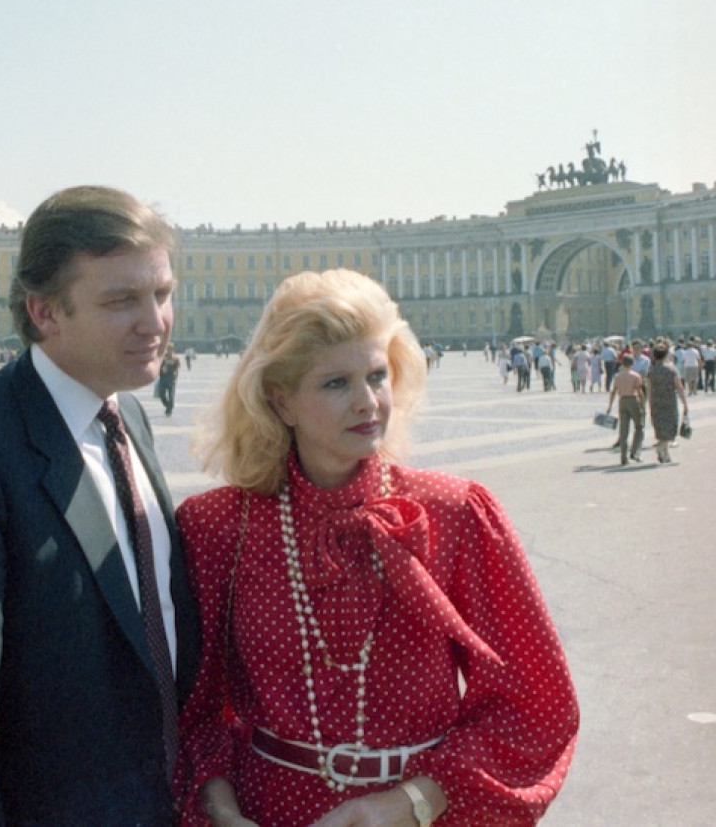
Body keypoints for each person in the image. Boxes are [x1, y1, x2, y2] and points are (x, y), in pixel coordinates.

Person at [175, 269, 578, 827]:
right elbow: (192, 712)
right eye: (335, 383)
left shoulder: (455, 513)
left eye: (376, 375)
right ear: (280, 400)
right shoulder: (217, 526)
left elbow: (534, 702)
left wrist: (409, 803)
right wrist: (222, 812)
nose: (368, 402)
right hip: (270, 815)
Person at [0, 185, 201, 826]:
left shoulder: (128, 416)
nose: (155, 321)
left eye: (161, 294)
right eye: (121, 301)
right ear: (46, 312)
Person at [646, 342, 688, 466]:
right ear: (665, 355)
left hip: (656, 401)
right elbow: (679, 387)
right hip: (669, 402)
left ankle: (665, 453)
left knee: (659, 426)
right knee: (670, 426)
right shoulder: (671, 369)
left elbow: (648, 388)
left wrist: (649, 403)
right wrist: (685, 403)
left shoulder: (651, 371)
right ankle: (662, 450)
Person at [604, 353, 647, 465]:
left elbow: (613, 391)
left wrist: (609, 405)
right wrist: (643, 406)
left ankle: (623, 457)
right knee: (639, 427)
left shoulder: (618, 376)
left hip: (622, 400)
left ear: (622, 363)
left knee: (624, 430)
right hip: (633, 399)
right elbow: (640, 392)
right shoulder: (635, 375)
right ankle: (635, 452)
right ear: (632, 363)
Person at [158, 341, 181, 416]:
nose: (168, 350)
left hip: (171, 377)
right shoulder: (163, 357)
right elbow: (158, 367)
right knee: (162, 394)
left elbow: (177, 369)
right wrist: (161, 369)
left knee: (171, 395)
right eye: (167, 349)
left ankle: (169, 410)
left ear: (172, 349)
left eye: (170, 349)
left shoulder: (175, 358)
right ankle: (168, 405)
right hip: (163, 377)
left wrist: (176, 378)